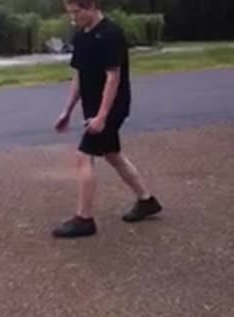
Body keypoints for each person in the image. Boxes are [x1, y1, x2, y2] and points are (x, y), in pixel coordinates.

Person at [52, 0, 162, 238]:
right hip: (93, 107)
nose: (73, 18)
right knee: (113, 154)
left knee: (84, 157)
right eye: (70, 13)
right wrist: (67, 111)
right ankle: (147, 200)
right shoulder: (81, 35)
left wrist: (102, 117)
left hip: (112, 107)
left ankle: (84, 219)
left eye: (77, 12)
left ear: (91, 6)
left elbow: (113, 78)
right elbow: (79, 76)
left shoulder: (111, 34)